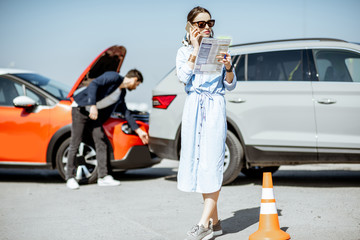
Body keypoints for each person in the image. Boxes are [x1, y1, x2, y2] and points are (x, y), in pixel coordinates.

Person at [176, 6, 236, 240]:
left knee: (212, 162)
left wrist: (229, 67)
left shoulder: (220, 48)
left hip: (214, 108)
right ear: (191, 27)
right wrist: (195, 49)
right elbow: (183, 77)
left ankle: (203, 224)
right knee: (201, 165)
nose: (207, 27)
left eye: (209, 22)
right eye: (201, 24)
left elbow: (230, 85)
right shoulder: (183, 52)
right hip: (194, 108)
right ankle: (217, 223)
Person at [66, 69, 149, 190]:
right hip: (81, 109)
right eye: (137, 84)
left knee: (101, 142)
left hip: (94, 115)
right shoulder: (113, 77)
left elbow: (126, 113)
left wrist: (139, 131)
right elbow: (94, 84)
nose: (136, 87)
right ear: (134, 79)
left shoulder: (122, 93)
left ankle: (103, 177)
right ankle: (69, 177)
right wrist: (92, 105)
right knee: (75, 142)